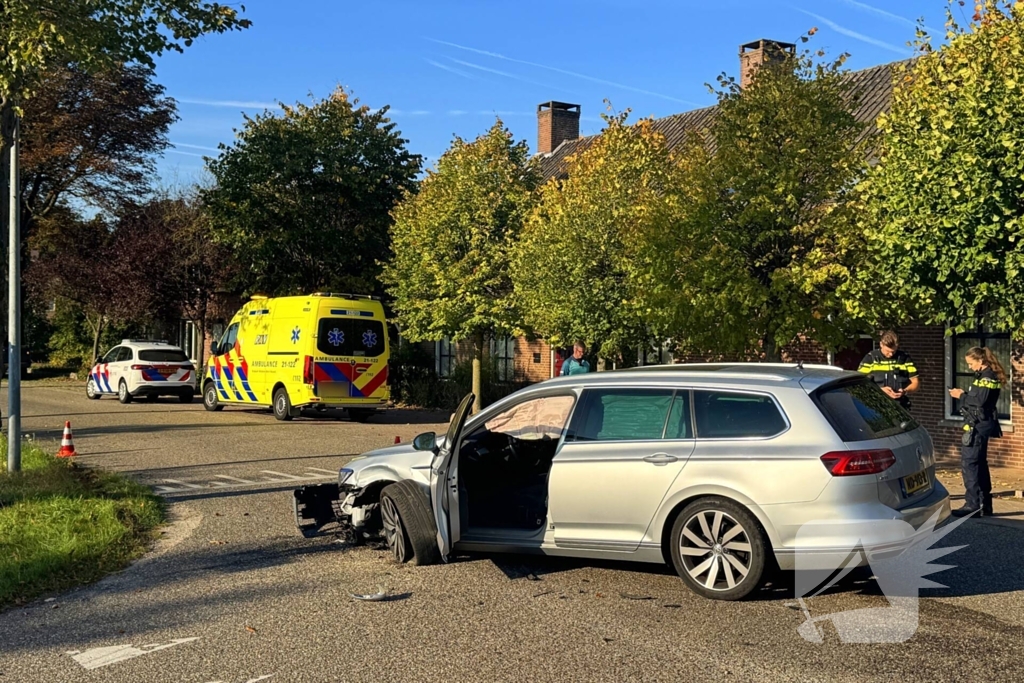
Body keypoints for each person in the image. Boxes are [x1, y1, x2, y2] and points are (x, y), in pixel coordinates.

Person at [948, 347, 1006, 518]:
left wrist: (961, 395)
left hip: (979, 425)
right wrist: (965, 395)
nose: (969, 367)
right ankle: (985, 504)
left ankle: (972, 505)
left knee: (970, 463)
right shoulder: (984, 376)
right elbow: (979, 398)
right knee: (979, 463)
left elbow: (980, 401)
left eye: (971, 363)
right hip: (981, 423)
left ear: (980, 361)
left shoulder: (987, 377)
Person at [857, 331, 920, 408]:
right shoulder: (870, 358)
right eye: (888, 351)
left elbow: (916, 382)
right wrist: (880, 390)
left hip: (899, 406)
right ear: (881, 344)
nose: (891, 354)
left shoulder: (905, 358)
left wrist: (904, 391)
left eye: (894, 351)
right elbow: (859, 383)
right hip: (876, 406)